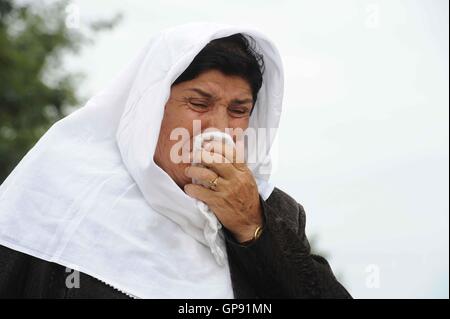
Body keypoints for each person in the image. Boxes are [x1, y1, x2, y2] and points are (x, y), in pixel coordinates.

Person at [0, 23, 351, 299]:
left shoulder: (272, 211)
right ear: (152, 109)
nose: (218, 129)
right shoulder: (65, 191)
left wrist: (251, 229)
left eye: (238, 111)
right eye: (199, 104)